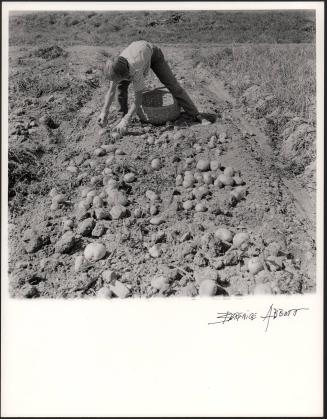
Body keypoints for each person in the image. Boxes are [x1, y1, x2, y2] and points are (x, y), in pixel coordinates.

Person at [97, 40, 211, 134]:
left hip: (153, 53)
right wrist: (104, 112)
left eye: (116, 79)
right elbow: (111, 91)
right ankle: (122, 117)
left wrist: (127, 119)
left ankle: (196, 115)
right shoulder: (115, 67)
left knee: (172, 84)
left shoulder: (135, 70)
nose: (114, 81)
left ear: (124, 74)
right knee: (120, 89)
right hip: (137, 51)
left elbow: (138, 100)